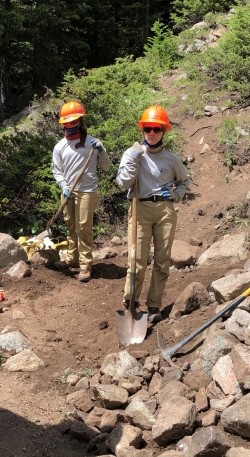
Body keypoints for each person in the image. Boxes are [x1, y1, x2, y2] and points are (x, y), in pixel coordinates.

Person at [117, 105, 190, 324]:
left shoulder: (172, 160)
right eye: (148, 128)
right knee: (137, 260)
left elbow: (184, 181)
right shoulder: (132, 155)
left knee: (162, 260)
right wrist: (132, 158)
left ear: (164, 131)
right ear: (142, 130)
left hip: (165, 210)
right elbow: (123, 183)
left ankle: (154, 305)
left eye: (156, 129)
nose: (151, 133)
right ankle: (130, 303)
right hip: (140, 207)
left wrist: (176, 195)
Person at [52, 101, 111, 282]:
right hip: (68, 191)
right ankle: (73, 259)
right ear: (62, 124)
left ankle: (86, 265)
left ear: (80, 121)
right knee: (70, 226)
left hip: (87, 191)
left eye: (73, 121)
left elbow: (106, 167)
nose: (70, 126)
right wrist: (64, 186)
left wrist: (101, 151)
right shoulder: (59, 146)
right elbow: (57, 170)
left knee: (83, 227)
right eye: (66, 123)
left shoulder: (93, 143)